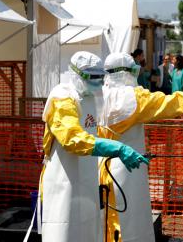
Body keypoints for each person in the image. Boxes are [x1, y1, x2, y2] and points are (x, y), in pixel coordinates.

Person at [99, 52, 183, 242]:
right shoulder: (134, 98)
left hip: (97, 169)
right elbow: (169, 103)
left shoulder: (95, 95)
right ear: (129, 72)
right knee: (130, 222)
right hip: (127, 170)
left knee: (103, 222)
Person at [38, 51, 149, 242]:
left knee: (89, 230)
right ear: (75, 74)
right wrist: (117, 148)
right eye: (92, 77)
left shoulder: (91, 97)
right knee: (64, 231)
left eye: (100, 77)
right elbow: (72, 138)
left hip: (88, 179)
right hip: (63, 182)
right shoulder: (62, 98)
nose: (98, 82)